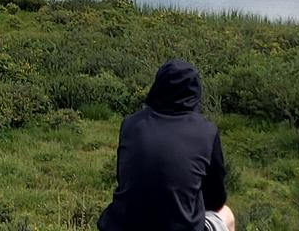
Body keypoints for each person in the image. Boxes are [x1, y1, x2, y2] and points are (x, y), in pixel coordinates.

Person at [97, 59, 234, 231]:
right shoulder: (206, 131)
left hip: (120, 226)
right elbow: (216, 200)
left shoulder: (131, 124)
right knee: (227, 215)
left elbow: (123, 178)